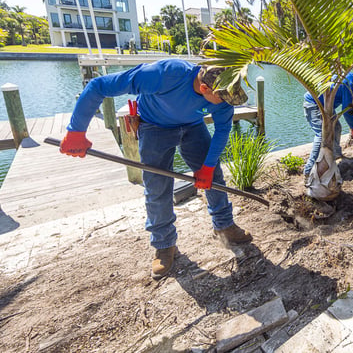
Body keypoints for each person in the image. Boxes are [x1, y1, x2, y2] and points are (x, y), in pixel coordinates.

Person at [58, 59, 252, 280]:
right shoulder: (162, 74)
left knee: (214, 176)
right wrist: (76, 130)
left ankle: (224, 226)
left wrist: (207, 167)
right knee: (157, 187)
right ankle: (164, 245)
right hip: (154, 126)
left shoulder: (223, 95)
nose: (227, 103)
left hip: (193, 125)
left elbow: (223, 129)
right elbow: (98, 86)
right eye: (223, 98)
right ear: (205, 88)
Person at [302, 72, 353, 178]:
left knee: (337, 127)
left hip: (327, 106)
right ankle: (308, 170)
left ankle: (335, 154)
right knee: (321, 135)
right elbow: (347, 109)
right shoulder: (350, 84)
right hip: (314, 104)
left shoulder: (350, 77)